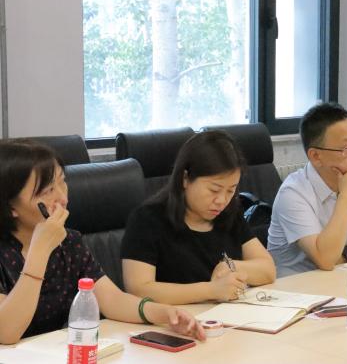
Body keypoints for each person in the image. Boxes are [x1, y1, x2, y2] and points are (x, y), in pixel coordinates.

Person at [0, 140, 205, 344]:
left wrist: (164, 313)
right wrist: (40, 251)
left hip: (52, 351)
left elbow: (112, 299)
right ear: (11, 207)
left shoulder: (69, 241)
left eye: (62, 182)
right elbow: (6, 331)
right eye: (47, 191)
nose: (63, 198)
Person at [121, 131, 276, 304]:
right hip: (174, 317)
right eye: (214, 190)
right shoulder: (147, 220)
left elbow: (268, 270)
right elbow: (139, 290)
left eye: (231, 190)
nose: (222, 200)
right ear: (185, 178)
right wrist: (211, 290)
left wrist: (232, 266)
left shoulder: (229, 213)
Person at [267, 102, 347, 277]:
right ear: (316, 156)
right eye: (346, 147)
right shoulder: (292, 193)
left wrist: (346, 255)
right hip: (296, 287)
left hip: (339, 279)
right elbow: (326, 260)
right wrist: (346, 197)